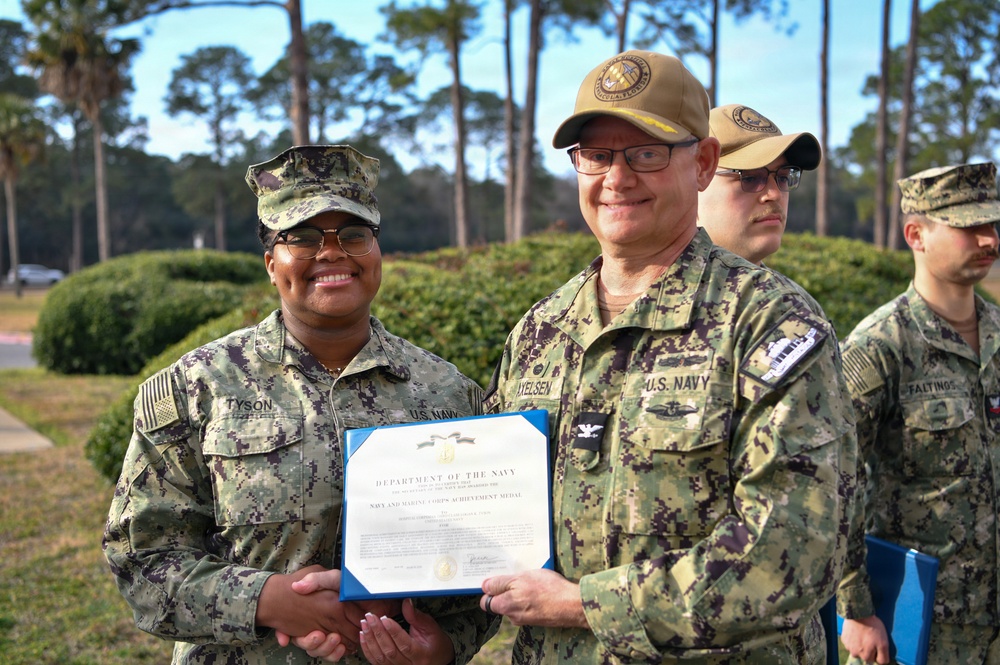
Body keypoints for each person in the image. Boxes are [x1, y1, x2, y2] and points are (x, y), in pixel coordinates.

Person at [480, 49, 857, 663]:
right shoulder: (540, 331)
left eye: (646, 154)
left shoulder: (767, 320)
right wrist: (412, 608)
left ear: (704, 163)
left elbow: (792, 554)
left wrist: (584, 606)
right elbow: (487, 512)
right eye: (596, 156)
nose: (616, 179)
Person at [103, 145, 499, 664]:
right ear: (272, 263)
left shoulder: (451, 395)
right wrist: (268, 600)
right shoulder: (196, 388)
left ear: (377, 253)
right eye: (303, 237)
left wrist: (444, 649)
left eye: (353, 234)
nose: (331, 252)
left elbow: (491, 565)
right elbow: (141, 558)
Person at [837, 162, 1000, 665]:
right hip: (921, 621)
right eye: (969, 226)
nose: (989, 239)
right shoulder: (880, 345)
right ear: (916, 234)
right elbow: (830, 481)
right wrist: (856, 611)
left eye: (991, 224)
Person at [697, 103, 821, 266]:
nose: (775, 194)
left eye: (783, 177)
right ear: (693, 185)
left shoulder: (779, 291)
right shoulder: (656, 289)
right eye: (750, 178)